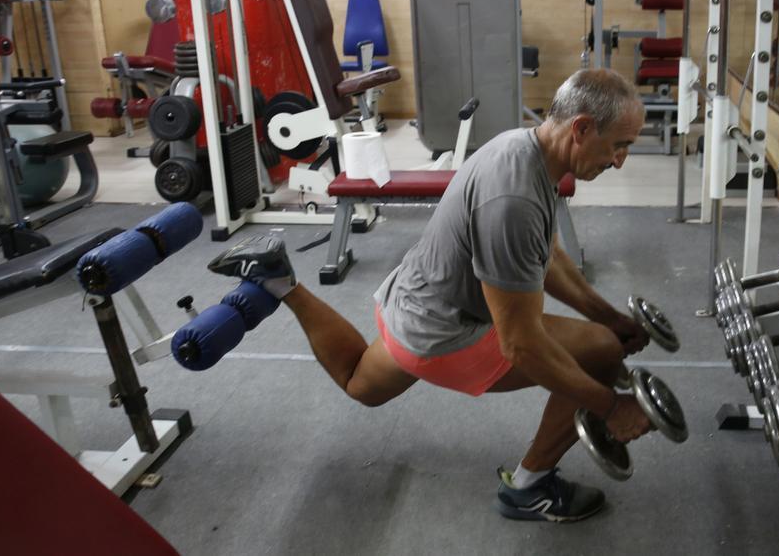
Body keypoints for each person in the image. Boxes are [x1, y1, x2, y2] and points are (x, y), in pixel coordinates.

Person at [209, 68, 653, 523]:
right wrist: (609, 405)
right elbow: (520, 344)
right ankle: (530, 487)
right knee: (599, 353)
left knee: (361, 384)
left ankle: (281, 280)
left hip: (414, 300)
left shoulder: (523, 147)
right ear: (580, 128)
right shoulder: (514, 200)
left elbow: (548, 257)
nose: (620, 160)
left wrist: (610, 316)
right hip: (447, 333)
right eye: (620, 145)